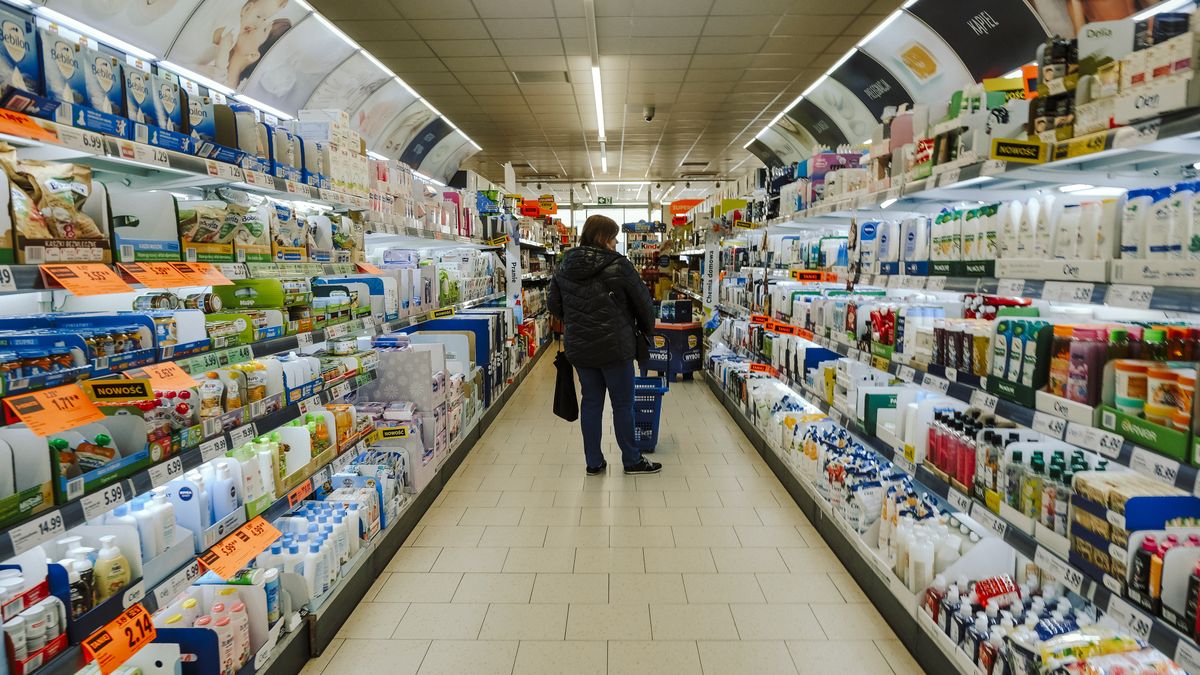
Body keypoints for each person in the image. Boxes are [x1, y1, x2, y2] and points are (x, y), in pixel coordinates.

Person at [549, 215, 662, 476]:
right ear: (603, 238)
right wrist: (647, 330)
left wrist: (578, 318)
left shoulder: (564, 266)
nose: (616, 242)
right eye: (613, 237)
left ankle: (594, 462)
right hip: (616, 347)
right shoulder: (619, 265)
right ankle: (632, 460)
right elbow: (644, 303)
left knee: (591, 403)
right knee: (623, 404)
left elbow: (554, 305)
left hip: (581, 348)